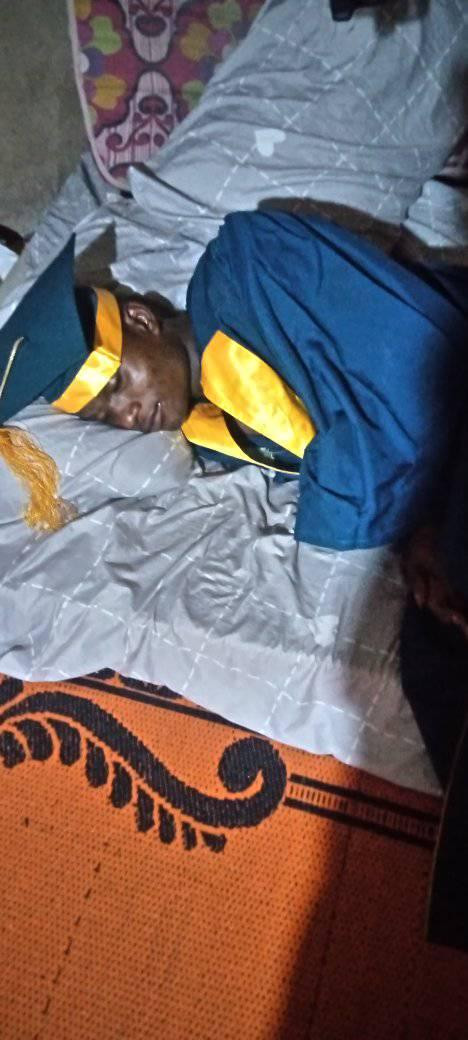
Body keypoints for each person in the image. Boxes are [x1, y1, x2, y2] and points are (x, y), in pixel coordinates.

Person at [0, 209, 467, 548]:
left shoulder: (247, 263)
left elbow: (410, 366)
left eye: (116, 385)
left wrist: (364, 514)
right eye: (107, 417)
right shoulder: (208, 437)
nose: (127, 416)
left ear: (141, 319)